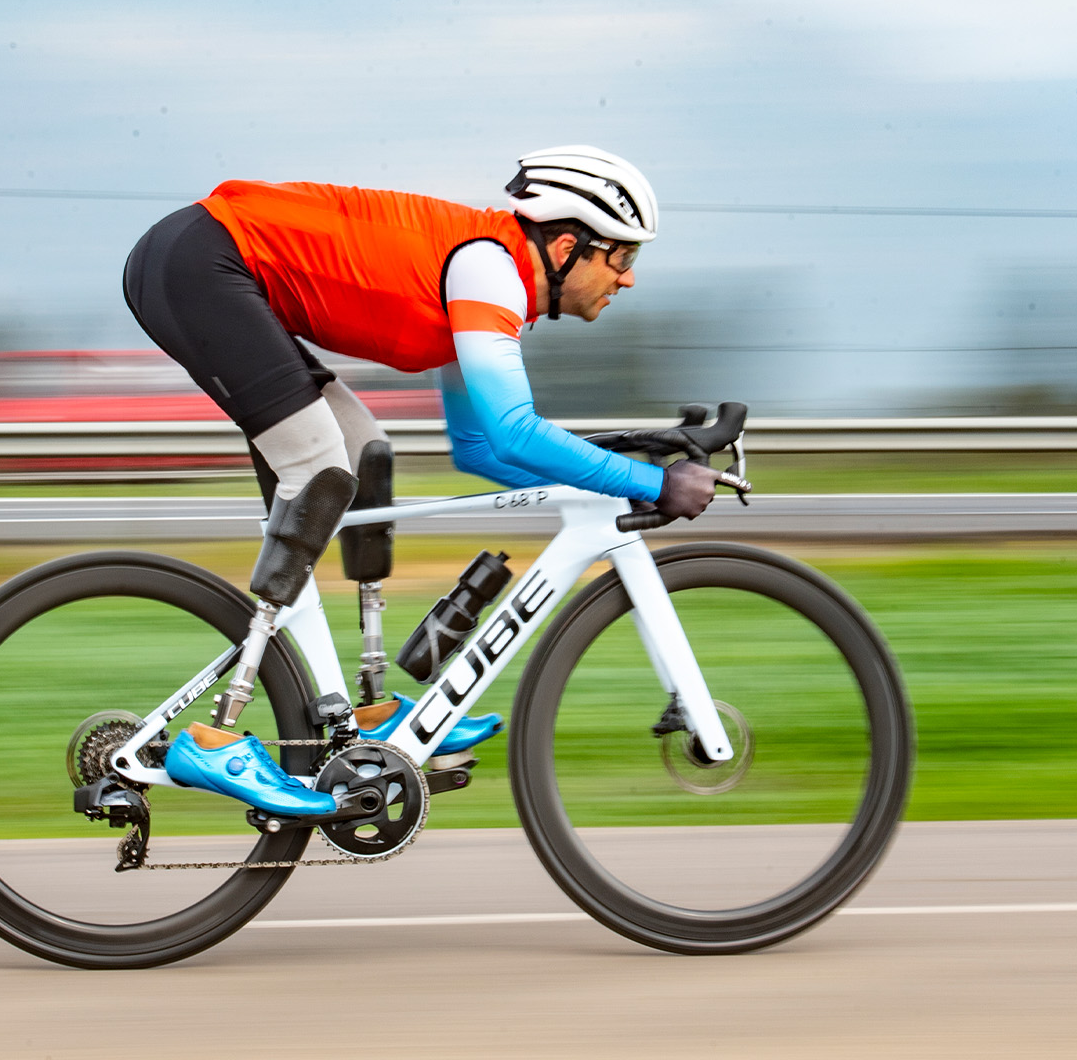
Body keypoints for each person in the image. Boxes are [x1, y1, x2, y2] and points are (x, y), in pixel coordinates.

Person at [121, 146, 717, 815]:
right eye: (622, 256)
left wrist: (628, 462)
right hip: (200, 263)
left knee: (363, 455)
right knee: (319, 468)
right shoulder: (488, 272)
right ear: (567, 247)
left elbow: (479, 448)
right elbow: (513, 433)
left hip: (214, 266)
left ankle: (367, 710)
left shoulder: (491, 278)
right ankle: (217, 736)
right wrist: (651, 484)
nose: (628, 278)